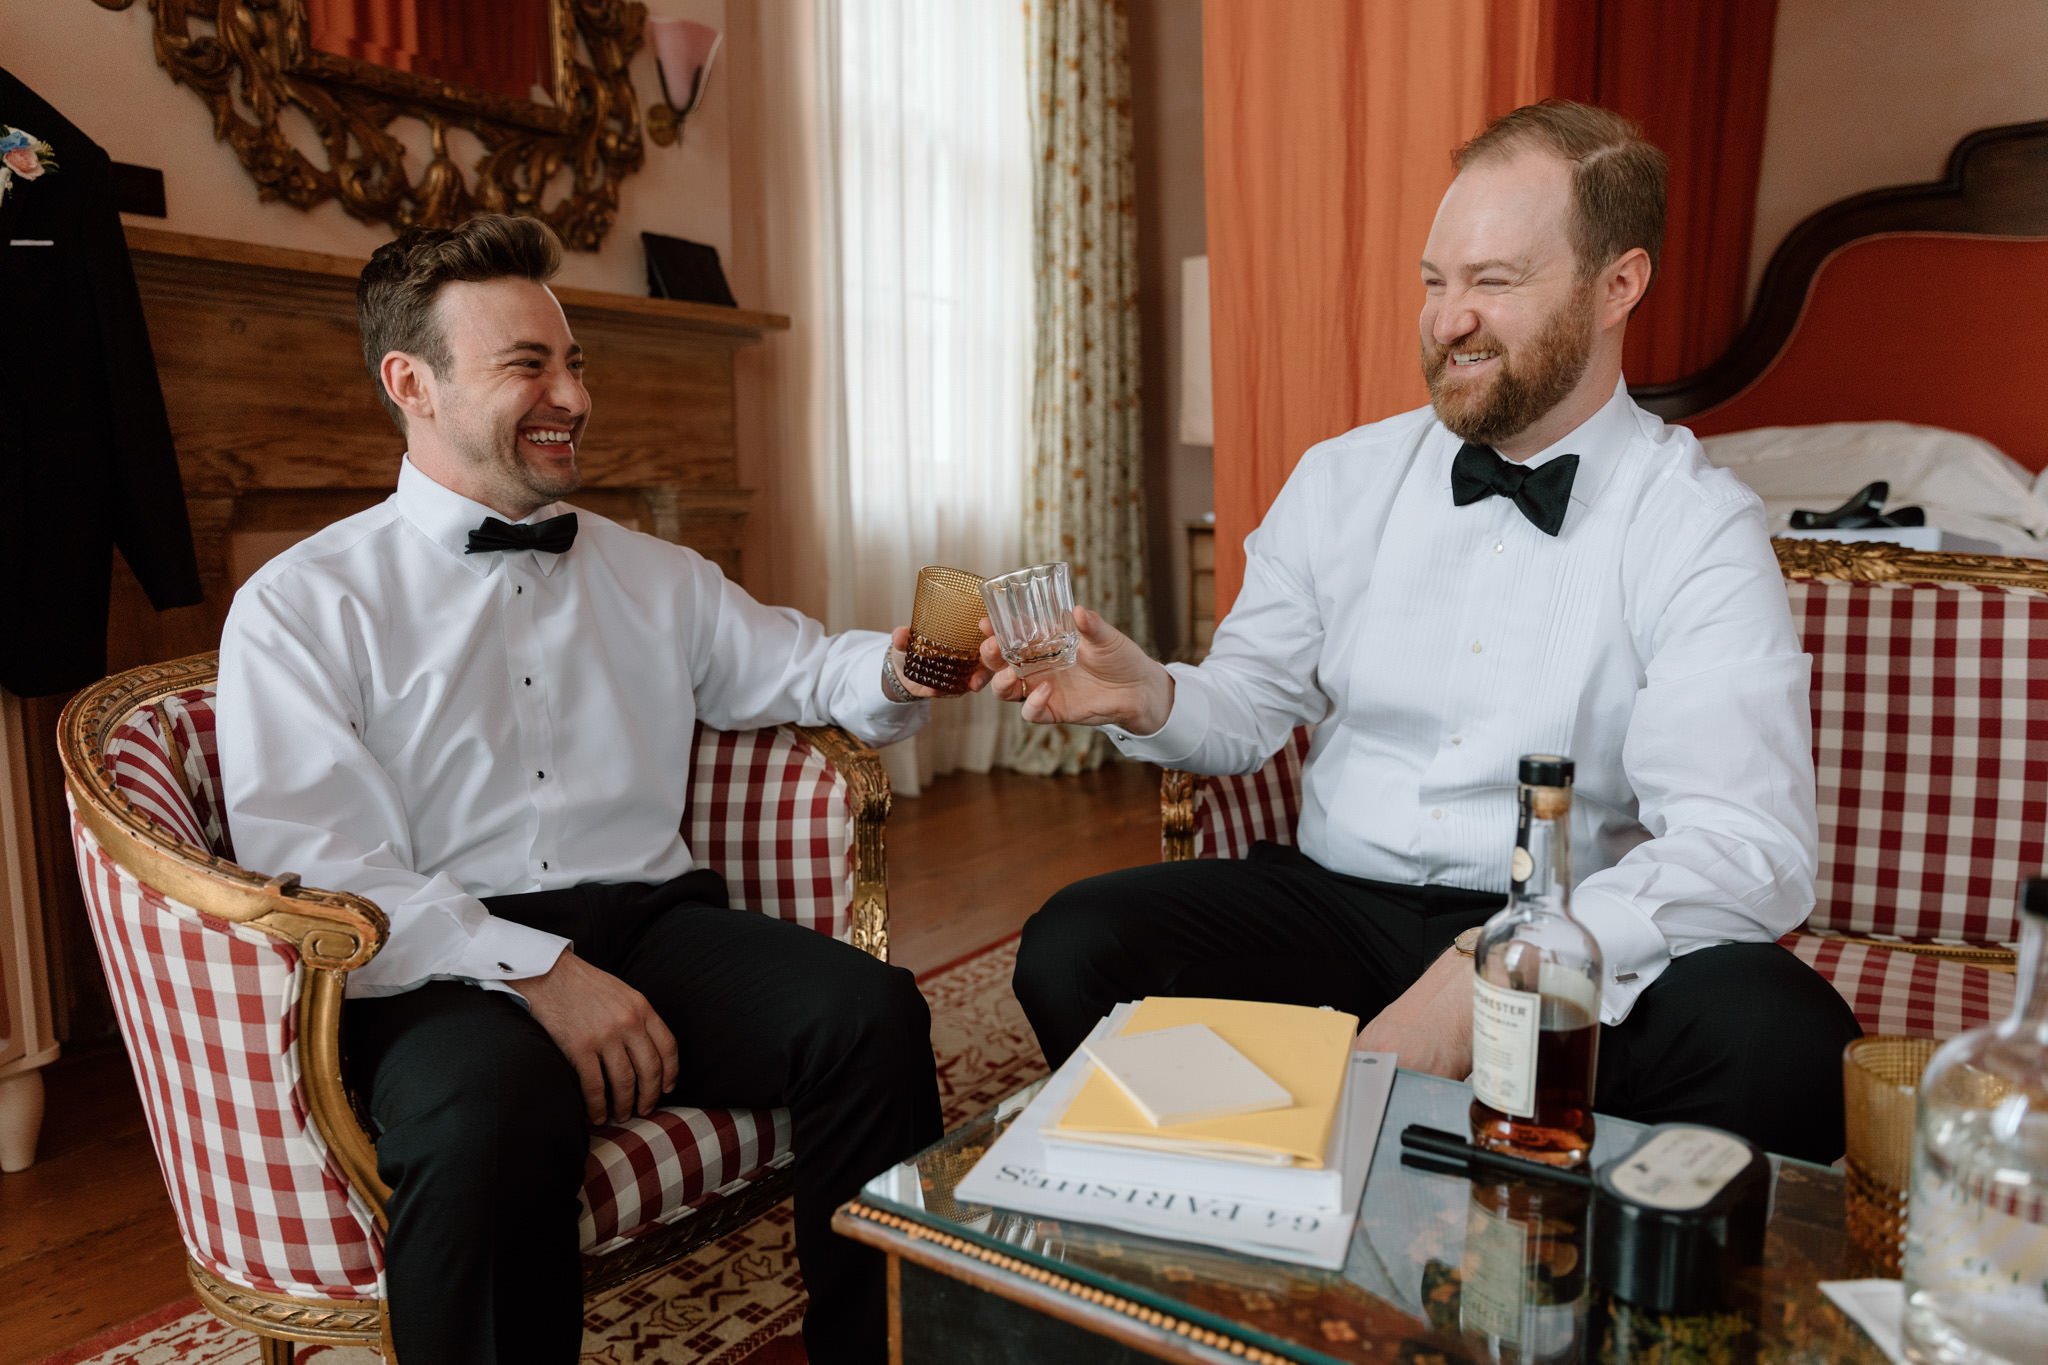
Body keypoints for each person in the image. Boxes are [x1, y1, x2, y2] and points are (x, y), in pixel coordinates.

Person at [991, 101, 1861, 1164]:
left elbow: (1745, 846)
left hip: (1566, 935)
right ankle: (1231, 1246)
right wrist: (1155, 696)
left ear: (1615, 287)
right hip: (1332, 909)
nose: (1446, 320)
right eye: (1433, 281)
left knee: (1781, 1040)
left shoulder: (1695, 526)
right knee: (1076, 945)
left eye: (1492, 282)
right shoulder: (1340, 479)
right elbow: (1250, 705)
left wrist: (1493, 965)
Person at [217, 213, 975, 1365]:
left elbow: (800, 665)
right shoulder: (302, 602)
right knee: (485, 1115)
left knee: (867, 1019)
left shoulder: (655, 571)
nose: (573, 396)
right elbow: (322, 863)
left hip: (647, 921)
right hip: (430, 955)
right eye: (529, 365)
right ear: (410, 382)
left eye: (575, 363)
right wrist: (539, 973)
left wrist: (906, 660)